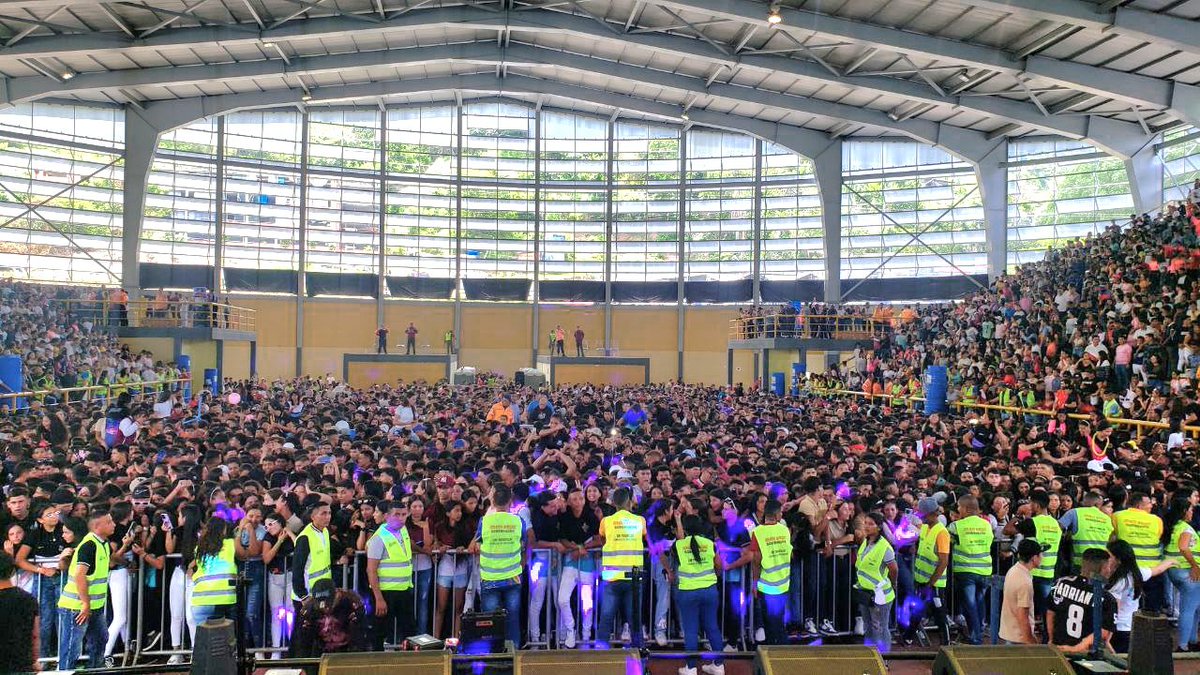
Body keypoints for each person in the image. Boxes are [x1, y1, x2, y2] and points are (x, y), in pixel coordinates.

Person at [728, 498, 792, 645]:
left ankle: (774, 652)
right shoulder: (784, 530)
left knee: (770, 622)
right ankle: (781, 651)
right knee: (779, 621)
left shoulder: (758, 532)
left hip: (766, 583)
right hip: (783, 582)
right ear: (777, 515)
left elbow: (756, 559)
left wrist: (755, 581)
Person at [58, 508, 115, 670]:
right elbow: (80, 576)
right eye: (109, 522)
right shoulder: (89, 545)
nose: (114, 525)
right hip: (76, 607)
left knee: (100, 639)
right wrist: (85, 604)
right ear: (97, 526)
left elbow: (108, 562)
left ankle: (95, 670)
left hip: (93, 607)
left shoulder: (102, 543)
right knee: (71, 649)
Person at [591, 487, 647, 648]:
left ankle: (601, 651)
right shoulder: (639, 521)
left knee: (607, 615)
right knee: (634, 617)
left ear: (614, 503)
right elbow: (643, 535)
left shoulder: (606, 521)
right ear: (630, 502)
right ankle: (638, 652)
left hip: (612, 575)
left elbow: (603, 538)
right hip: (633, 576)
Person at [471, 484, 525, 649]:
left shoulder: (485, 521)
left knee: (490, 619)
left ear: (492, 500)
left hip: (490, 578)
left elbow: (474, 545)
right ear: (510, 500)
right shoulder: (518, 520)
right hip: (512, 577)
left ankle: (493, 651)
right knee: (513, 616)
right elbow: (523, 544)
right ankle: (513, 650)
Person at [670, 514, 724, 675]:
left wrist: (678, 520)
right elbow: (719, 565)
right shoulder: (710, 544)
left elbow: (680, 539)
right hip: (709, 591)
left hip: (688, 593)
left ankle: (691, 667)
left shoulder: (679, 545)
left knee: (691, 631)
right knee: (712, 627)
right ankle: (719, 665)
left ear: (685, 529)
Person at [1105, 539, 1174, 653]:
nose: (1105, 558)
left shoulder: (1118, 582)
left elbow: (1113, 610)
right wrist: (1170, 561)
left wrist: (1107, 636)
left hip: (1116, 630)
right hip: (1129, 627)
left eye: (1109, 556)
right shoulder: (1137, 573)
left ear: (1119, 560)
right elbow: (1157, 570)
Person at [1005, 490, 1062, 623]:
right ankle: (1047, 638)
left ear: (1036, 505)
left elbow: (1007, 530)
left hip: (1032, 571)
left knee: (1027, 609)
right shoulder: (1056, 524)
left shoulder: (1033, 523)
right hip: (1049, 572)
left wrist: (1018, 515)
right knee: (1047, 611)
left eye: (1031, 503)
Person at [1047, 548, 1116, 655]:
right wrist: (1076, 649)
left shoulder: (1060, 583)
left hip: (1058, 649)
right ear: (1103, 569)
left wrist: (1051, 639)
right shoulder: (1106, 598)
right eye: (1109, 566)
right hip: (1084, 655)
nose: (1110, 570)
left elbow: (1051, 612)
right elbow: (1103, 633)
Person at [366, 500, 415, 651]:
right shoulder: (379, 538)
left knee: (409, 632)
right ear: (387, 516)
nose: (401, 518)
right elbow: (371, 570)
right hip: (385, 593)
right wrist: (379, 598)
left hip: (404, 590)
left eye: (404, 515)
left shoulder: (403, 530)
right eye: (396, 515)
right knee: (379, 633)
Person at [905, 496, 951, 646]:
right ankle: (909, 636)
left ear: (932, 514)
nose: (920, 517)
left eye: (922, 515)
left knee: (939, 613)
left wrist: (931, 584)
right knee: (917, 609)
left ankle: (947, 642)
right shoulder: (925, 528)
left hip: (934, 583)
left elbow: (943, 561)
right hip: (922, 579)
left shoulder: (942, 532)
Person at [948, 495, 993, 645]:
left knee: (970, 605)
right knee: (980, 603)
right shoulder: (986, 524)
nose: (958, 510)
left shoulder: (956, 526)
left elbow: (948, 541)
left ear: (966, 509)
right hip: (985, 570)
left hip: (966, 570)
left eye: (959, 507)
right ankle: (979, 630)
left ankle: (976, 638)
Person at [1112, 491, 1165, 612]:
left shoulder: (1117, 516)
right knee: (1151, 606)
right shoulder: (1156, 520)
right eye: (1149, 503)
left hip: (1126, 567)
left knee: (1125, 604)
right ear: (1139, 506)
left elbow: (1113, 536)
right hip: (1152, 569)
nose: (1151, 506)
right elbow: (1158, 535)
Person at [855, 512, 897, 653]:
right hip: (866, 592)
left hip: (880, 595)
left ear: (879, 527)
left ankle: (884, 658)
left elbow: (894, 569)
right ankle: (871, 656)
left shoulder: (885, 548)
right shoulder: (865, 542)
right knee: (868, 626)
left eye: (871, 524)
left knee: (879, 627)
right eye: (865, 523)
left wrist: (893, 583)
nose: (867, 526)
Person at [1164, 497, 1200, 652]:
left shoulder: (1174, 526)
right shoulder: (1186, 528)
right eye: (1191, 509)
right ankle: (1183, 645)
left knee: (1195, 606)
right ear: (1185, 511)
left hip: (1174, 570)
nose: (1192, 512)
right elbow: (1184, 547)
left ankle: (1192, 640)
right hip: (1188, 571)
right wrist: (1195, 566)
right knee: (1188, 609)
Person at [191, 516, 238, 624]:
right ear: (223, 530)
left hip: (200, 599)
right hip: (223, 599)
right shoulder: (230, 543)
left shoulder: (199, 547)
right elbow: (244, 554)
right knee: (222, 638)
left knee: (203, 638)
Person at [0, 551, 39, 674]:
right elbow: (35, 635)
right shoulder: (28, 599)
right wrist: (34, 661)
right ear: (12, 571)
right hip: (22, 664)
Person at [999, 539, 1043, 645]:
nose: (1042, 558)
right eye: (1040, 555)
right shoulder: (1025, 582)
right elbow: (1023, 615)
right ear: (1034, 558)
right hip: (1019, 639)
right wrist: (1030, 641)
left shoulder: (1013, 570)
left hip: (1009, 634)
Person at [290, 504, 333, 612]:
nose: (327, 516)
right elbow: (297, 568)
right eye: (323, 513)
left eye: (329, 513)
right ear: (313, 517)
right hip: (307, 594)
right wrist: (303, 595)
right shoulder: (305, 537)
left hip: (323, 590)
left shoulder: (325, 531)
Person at [1060, 491, 1114, 572]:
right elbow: (1112, 539)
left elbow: (1057, 527)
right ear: (1098, 504)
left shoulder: (1074, 512)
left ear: (1085, 501)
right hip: (1101, 564)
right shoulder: (1107, 518)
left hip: (1081, 564)